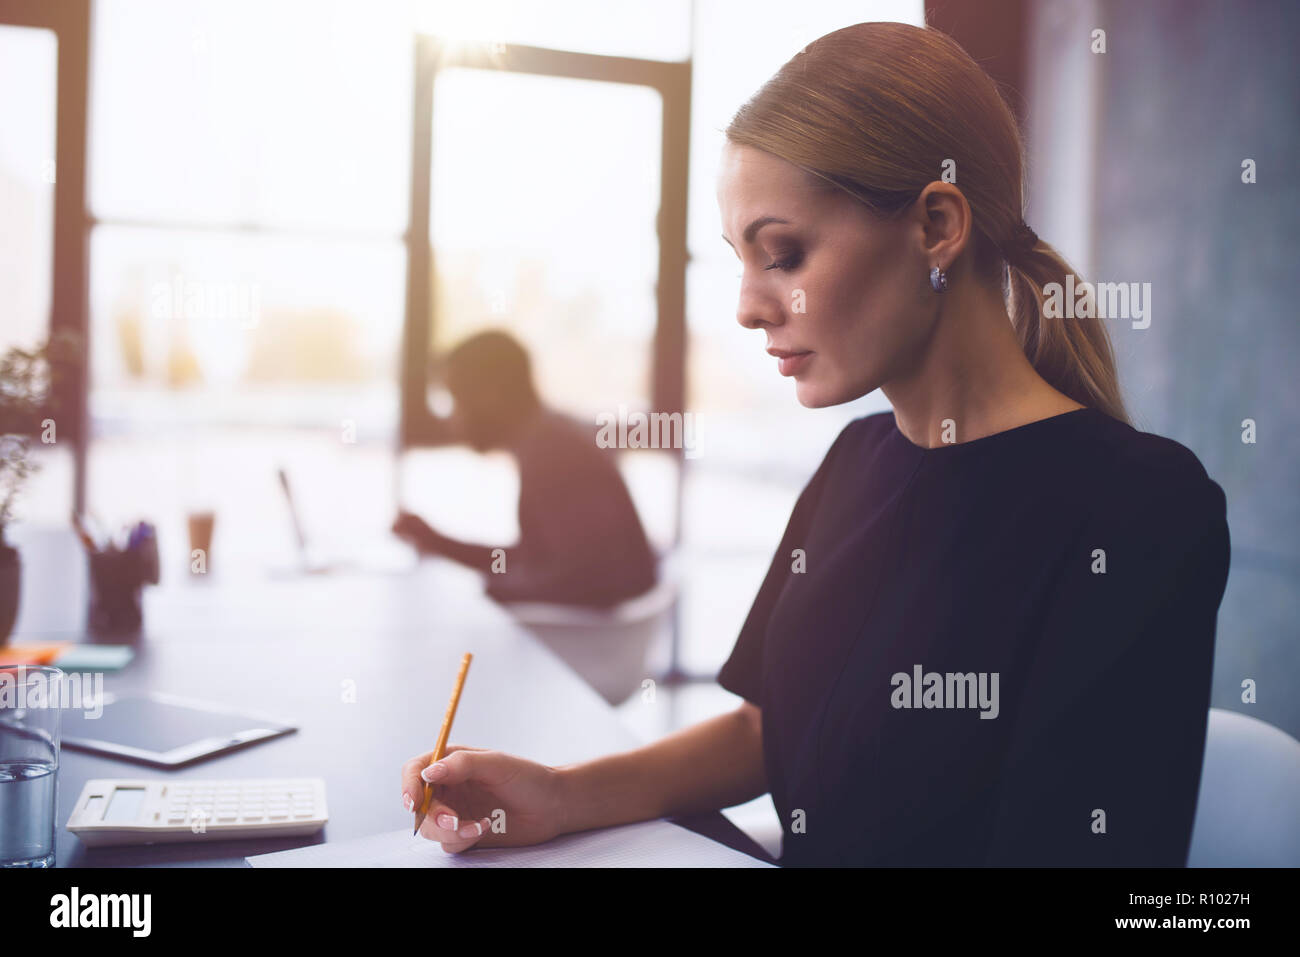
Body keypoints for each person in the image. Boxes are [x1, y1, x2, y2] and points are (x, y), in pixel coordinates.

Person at [397, 22, 1231, 866]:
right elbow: (769, 726)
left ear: (937, 225)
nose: (748, 307)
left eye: (784, 255)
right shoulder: (855, 463)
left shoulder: (1138, 511)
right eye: (741, 262)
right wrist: (562, 794)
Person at [392, 330, 658, 608]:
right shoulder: (548, 439)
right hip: (580, 637)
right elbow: (535, 560)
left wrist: (494, 592)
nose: (453, 420)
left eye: (457, 400)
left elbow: (589, 579)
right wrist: (438, 542)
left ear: (489, 395)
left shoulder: (554, 455)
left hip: (583, 643)